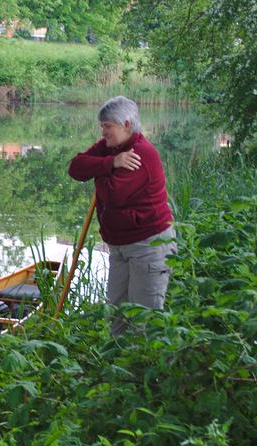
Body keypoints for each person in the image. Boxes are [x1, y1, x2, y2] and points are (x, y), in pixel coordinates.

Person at [68, 96, 176, 335]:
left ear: (126, 125)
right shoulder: (112, 149)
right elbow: (75, 167)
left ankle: (146, 370)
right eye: (102, 126)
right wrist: (111, 163)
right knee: (116, 314)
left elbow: (112, 194)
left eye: (108, 126)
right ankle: (115, 366)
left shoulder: (142, 154)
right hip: (119, 246)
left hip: (148, 244)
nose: (103, 133)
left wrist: (98, 169)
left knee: (144, 320)